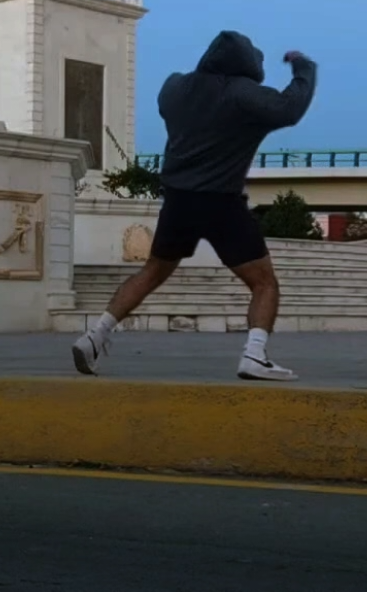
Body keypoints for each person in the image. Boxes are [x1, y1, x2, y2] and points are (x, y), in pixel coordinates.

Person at [73, 33, 317, 381]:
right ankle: (255, 355)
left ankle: (94, 336)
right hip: (221, 203)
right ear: (246, 65)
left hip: (177, 201)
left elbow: (174, 104)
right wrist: (303, 68)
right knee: (264, 283)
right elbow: (288, 109)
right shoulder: (241, 94)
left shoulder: (175, 88)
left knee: (152, 272)